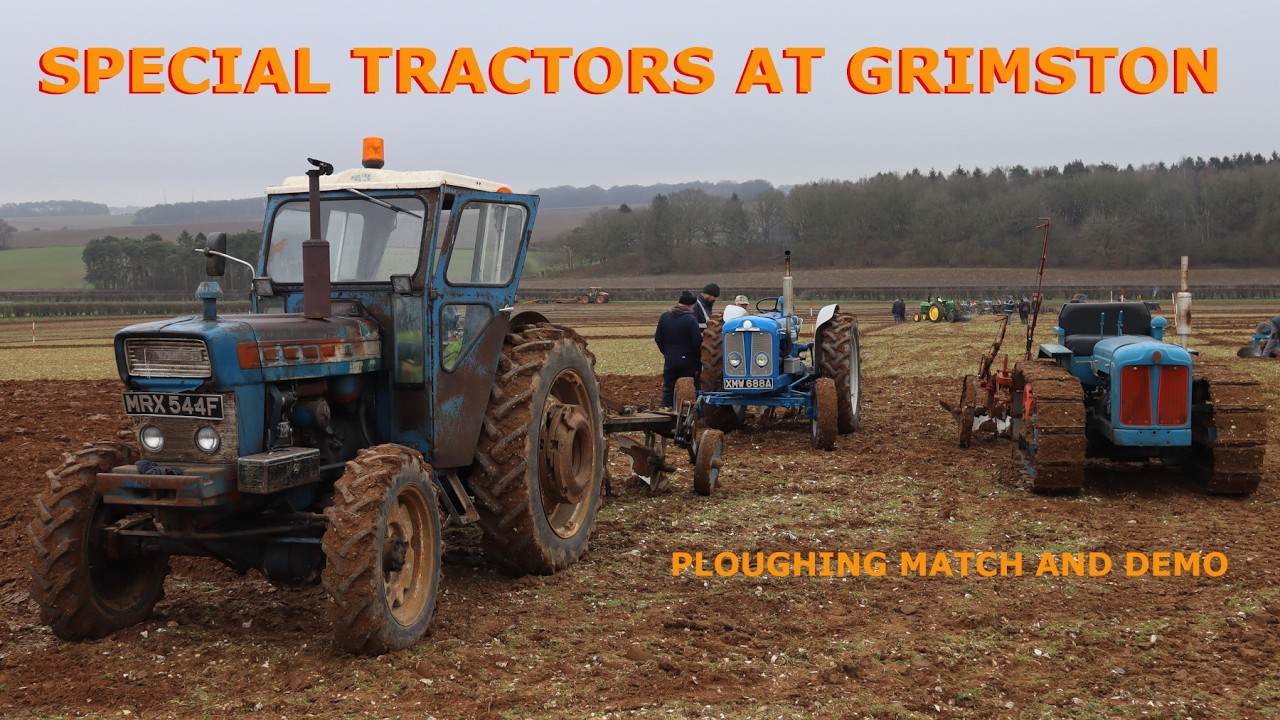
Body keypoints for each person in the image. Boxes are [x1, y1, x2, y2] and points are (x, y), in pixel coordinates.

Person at [654, 290, 703, 407]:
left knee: (668, 389)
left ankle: (666, 412)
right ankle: (686, 415)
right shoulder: (690, 320)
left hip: (670, 359)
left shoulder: (665, 316)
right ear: (690, 305)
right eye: (693, 306)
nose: (694, 309)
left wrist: (666, 352)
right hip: (687, 361)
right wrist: (697, 360)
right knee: (687, 389)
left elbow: (658, 338)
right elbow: (697, 343)